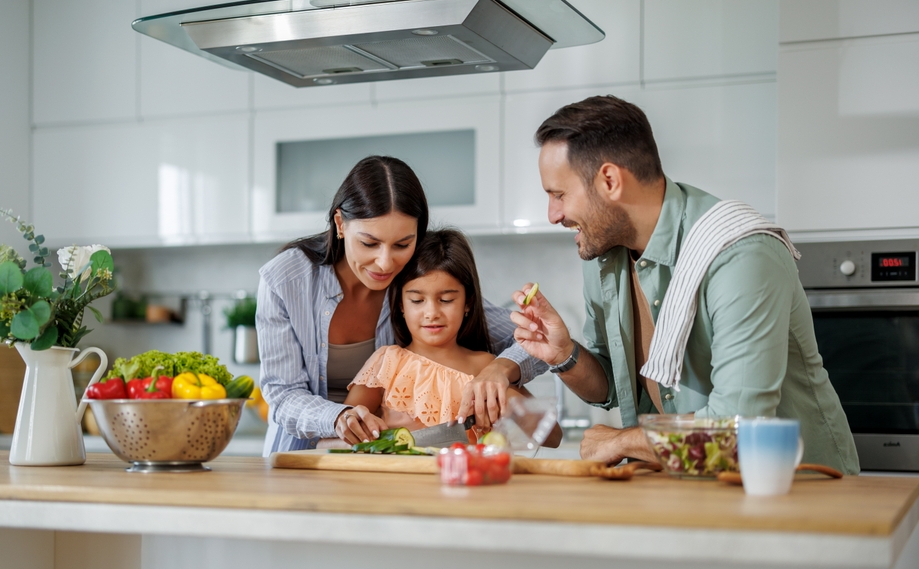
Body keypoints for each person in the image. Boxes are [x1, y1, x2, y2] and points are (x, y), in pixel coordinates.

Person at [507, 95, 860, 473]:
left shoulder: (739, 254)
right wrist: (564, 355)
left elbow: (738, 429)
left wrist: (624, 440)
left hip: (797, 488)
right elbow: (613, 385)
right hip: (694, 485)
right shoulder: (605, 257)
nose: (553, 215)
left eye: (559, 194)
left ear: (610, 180)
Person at [257, 156, 542, 455]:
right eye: (369, 243)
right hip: (300, 458)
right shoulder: (285, 280)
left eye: (402, 244)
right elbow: (283, 394)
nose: (385, 262)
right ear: (340, 224)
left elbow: (535, 342)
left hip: (389, 467)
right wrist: (338, 417)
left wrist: (500, 369)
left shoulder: (415, 277)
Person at [342, 228, 561, 447]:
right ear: (401, 304)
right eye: (417, 301)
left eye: (446, 300)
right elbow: (346, 430)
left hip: (468, 479)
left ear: (468, 303)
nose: (431, 313)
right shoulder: (387, 362)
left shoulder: (486, 367)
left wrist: (503, 394)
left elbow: (553, 437)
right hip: (398, 480)